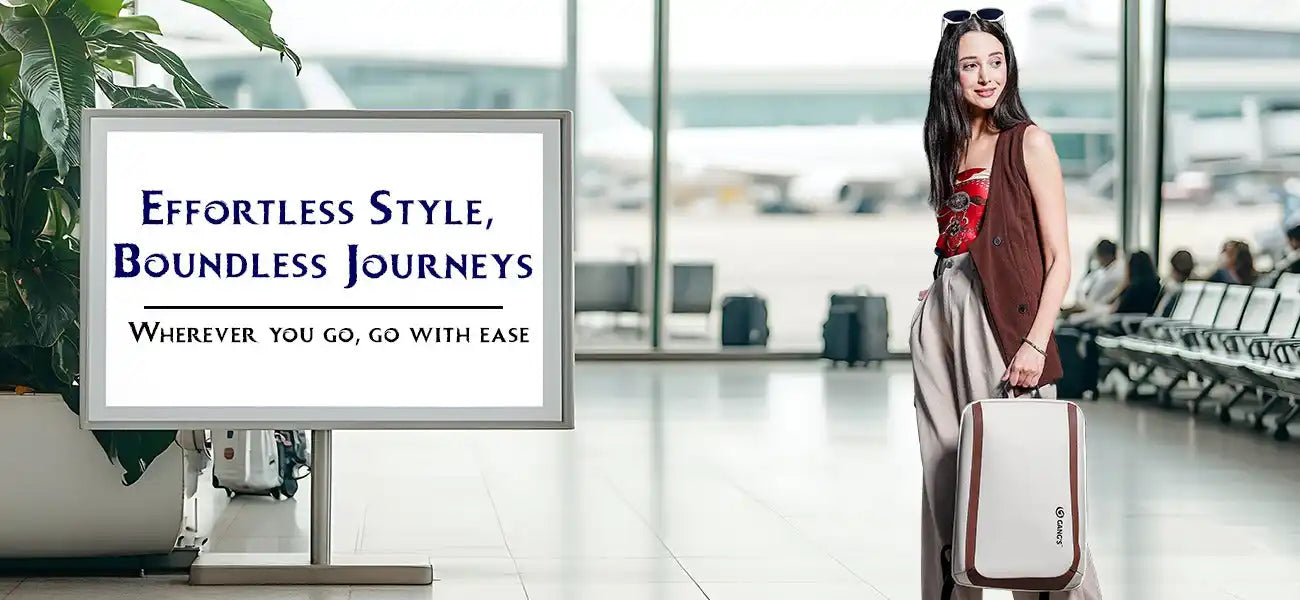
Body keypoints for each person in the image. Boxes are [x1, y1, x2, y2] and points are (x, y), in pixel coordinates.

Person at [910, 9, 1103, 600]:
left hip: (1004, 321)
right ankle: (953, 590)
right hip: (944, 310)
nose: (987, 75)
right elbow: (959, 235)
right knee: (944, 467)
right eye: (971, 64)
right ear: (952, 74)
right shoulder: (947, 142)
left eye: (996, 62)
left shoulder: (1030, 142)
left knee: (1023, 471)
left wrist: (1037, 341)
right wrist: (941, 289)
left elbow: (1059, 259)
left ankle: (1053, 589)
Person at [1060, 239, 1123, 317]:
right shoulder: (1104, 273)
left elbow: (1094, 302)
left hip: (1098, 313)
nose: (1098, 260)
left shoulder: (1113, 276)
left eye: (1098, 256)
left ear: (1105, 256)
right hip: (1095, 310)